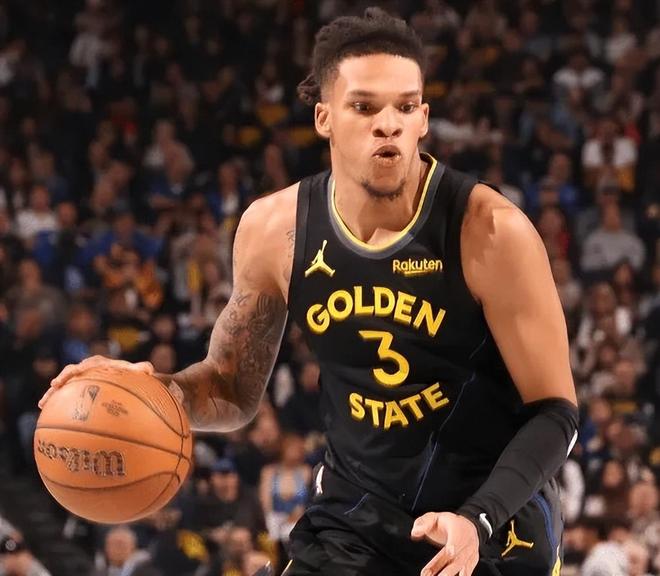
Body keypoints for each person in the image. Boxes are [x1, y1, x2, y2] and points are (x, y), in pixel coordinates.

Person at [41, 8, 578, 576]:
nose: (388, 124)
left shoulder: (490, 230)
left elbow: (556, 412)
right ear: (324, 118)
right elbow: (230, 387)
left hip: (492, 522)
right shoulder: (275, 230)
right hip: (354, 520)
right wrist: (153, 393)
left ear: (424, 118)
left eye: (405, 107)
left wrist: (476, 519)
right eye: (364, 107)